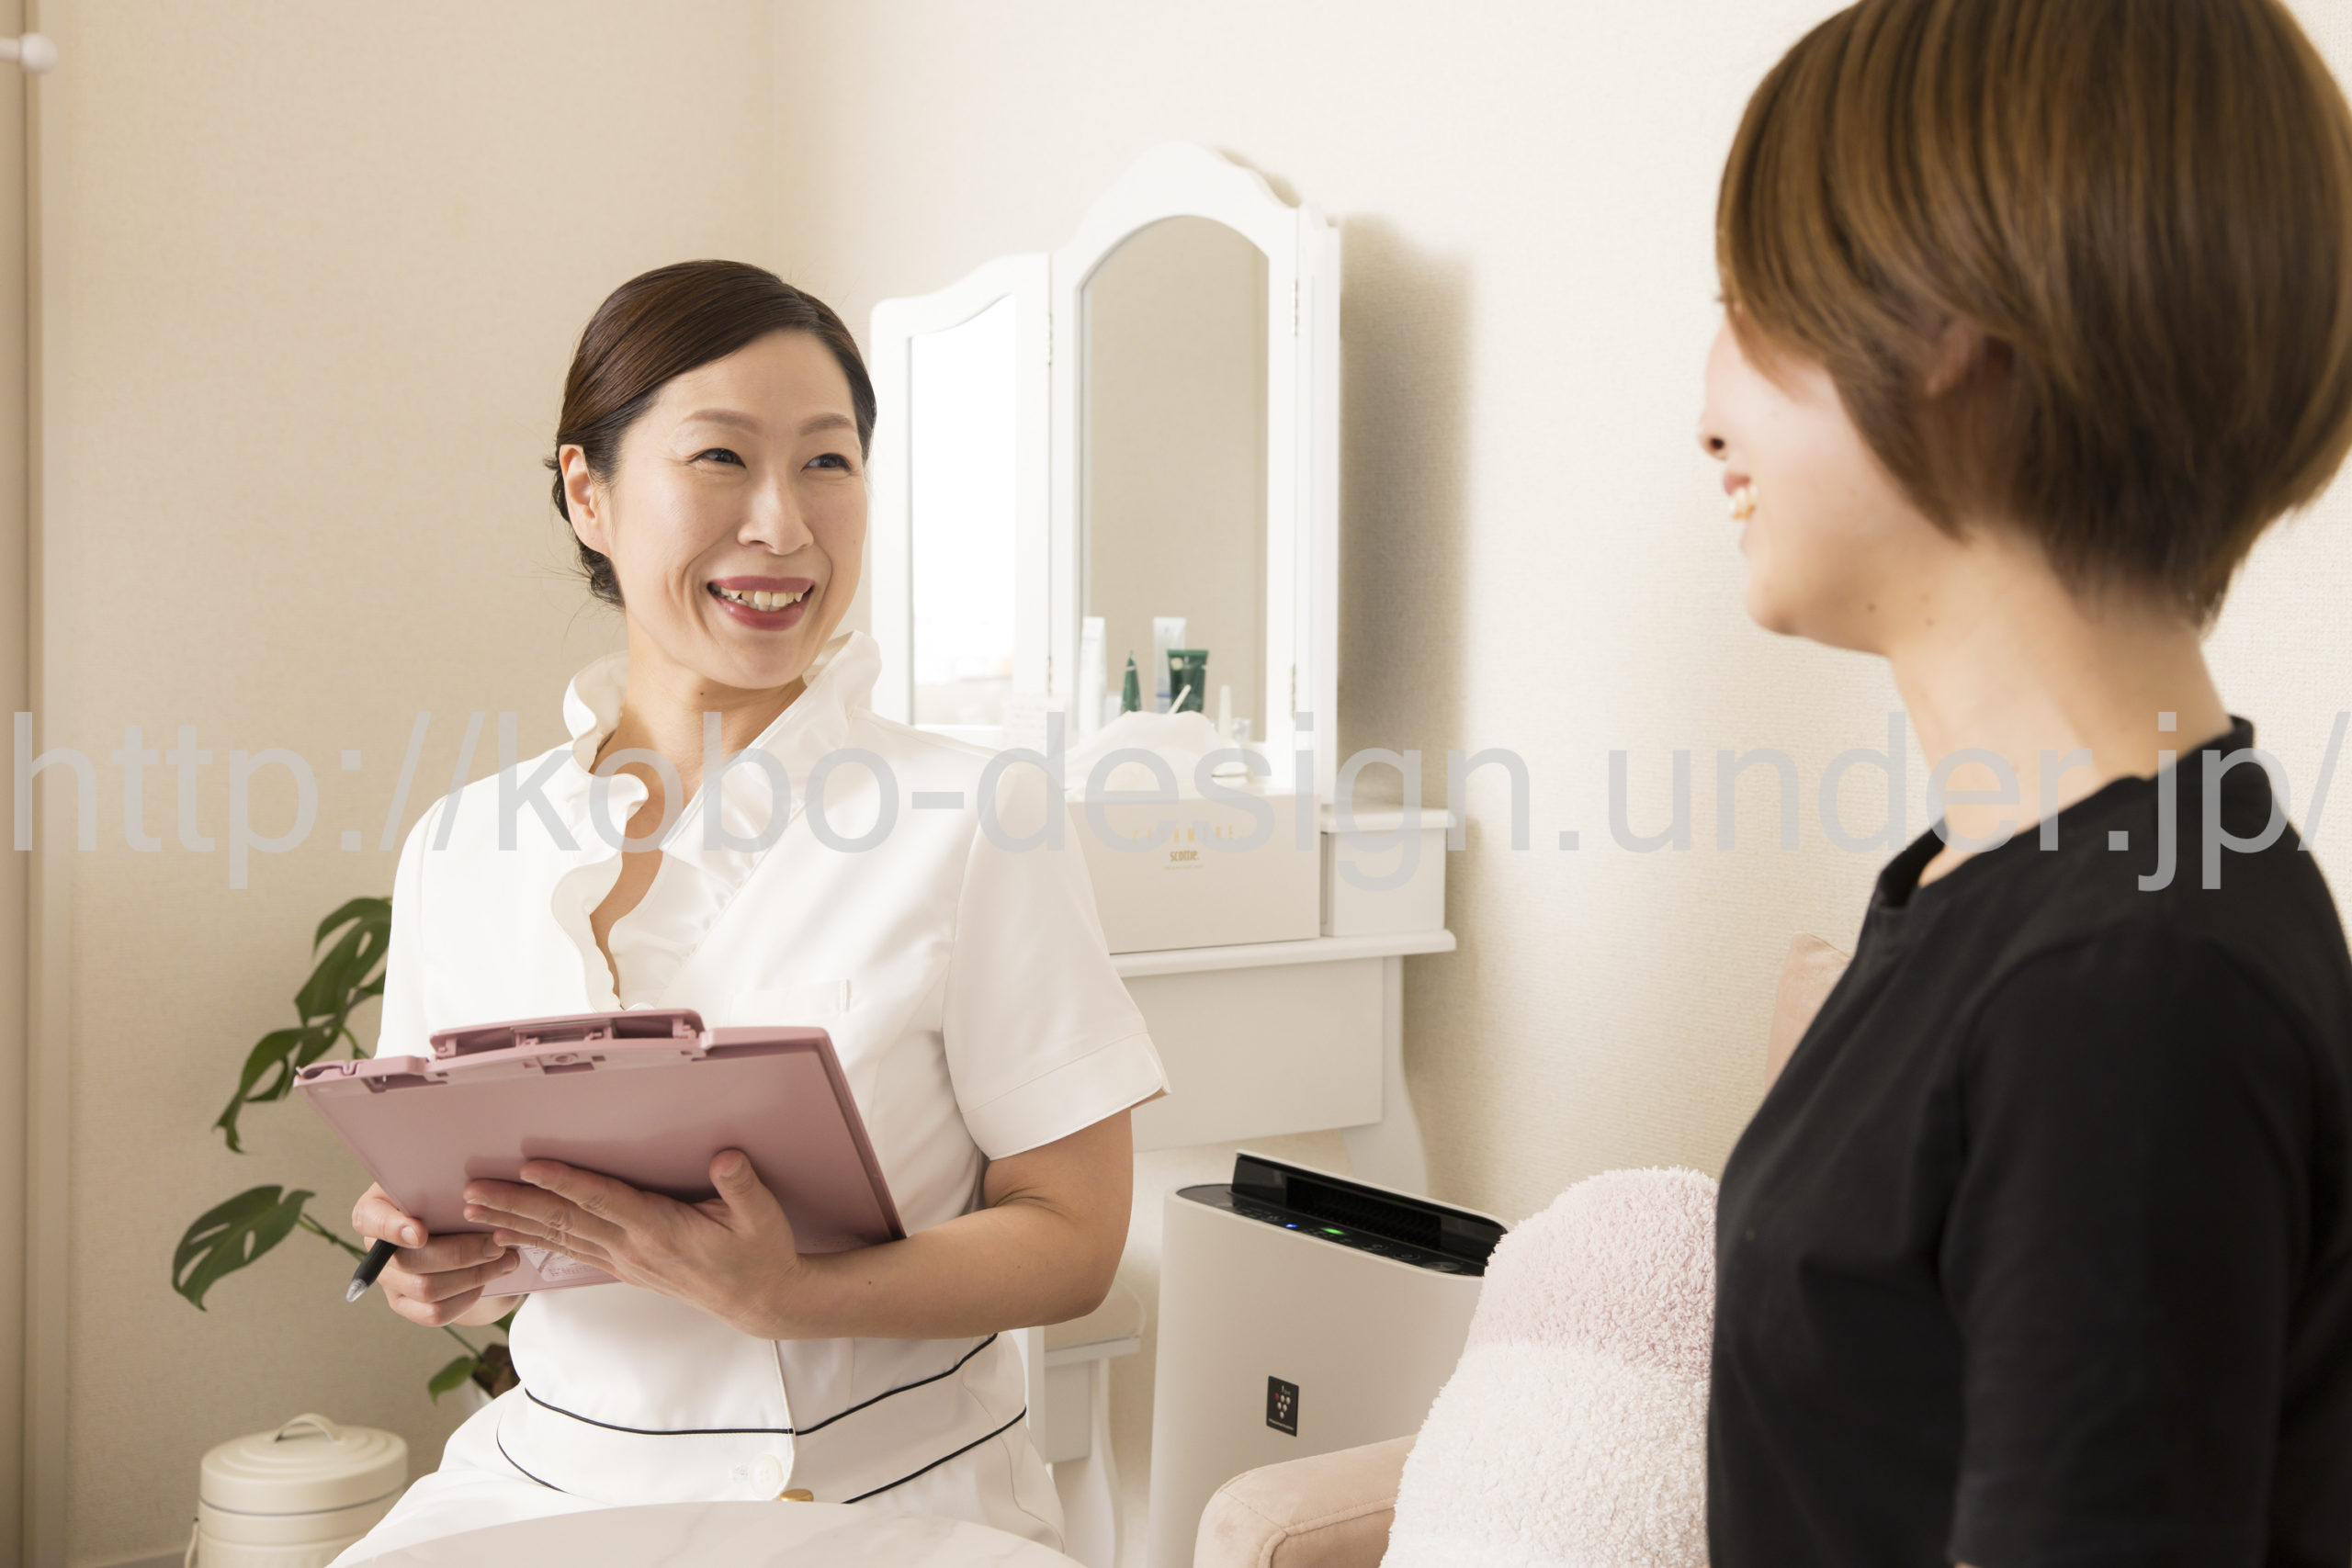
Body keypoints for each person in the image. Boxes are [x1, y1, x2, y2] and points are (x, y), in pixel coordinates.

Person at [331, 260, 1164, 1559]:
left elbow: (1075, 1242)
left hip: (884, 1500)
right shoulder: (465, 844)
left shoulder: (975, 814)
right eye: (720, 457)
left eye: (828, 463)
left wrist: (793, 1294)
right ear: (589, 493)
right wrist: (431, 1262)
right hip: (545, 1482)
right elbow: (461, 1227)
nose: (783, 525)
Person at [1697, 1, 2352, 1563]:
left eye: (1751, 308)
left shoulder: (2131, 984)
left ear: (1952, 330)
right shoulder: (2026, 897)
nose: (1706, 409)